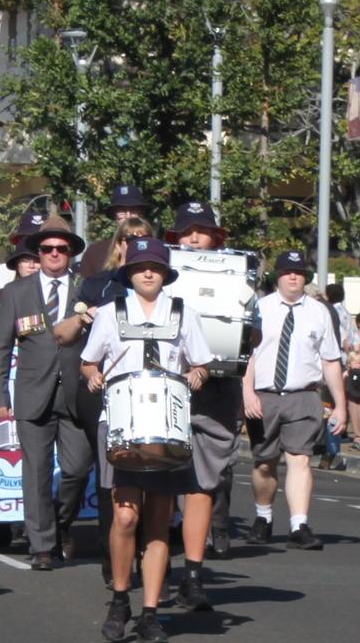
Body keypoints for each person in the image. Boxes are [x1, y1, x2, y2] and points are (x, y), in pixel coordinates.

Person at [80, 236, 212, 643]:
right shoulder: (110, 312)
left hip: (167, 424)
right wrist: (93, 376)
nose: (148, 273)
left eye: (155, 267)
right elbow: (88, 361)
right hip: (120, 421)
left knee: (158, 521)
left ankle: (151, 612)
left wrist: (196, 375)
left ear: (165, 273)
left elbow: (202, 363)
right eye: (140, 268)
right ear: (130, 273)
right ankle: (120, 598)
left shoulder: (183, 313)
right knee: (125, 516)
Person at [54, 214, 155, 587]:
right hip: (103, 389)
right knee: (110, 472)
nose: (136, 243)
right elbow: (62, 335)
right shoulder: (98, 286)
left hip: (153, 391)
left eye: (144, 237)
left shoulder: (163, 289)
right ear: (119, 245)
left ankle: (148, 550)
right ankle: (113, 559)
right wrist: (84, 319)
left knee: (152, 471)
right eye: (129, 238)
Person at [0, 217, 92, 571]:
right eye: (47, 248)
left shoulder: (86, 288)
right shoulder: (16, 292)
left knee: (78, 469)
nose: (53, 254)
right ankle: (42, 545)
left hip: (76, 394)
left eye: (61, 248)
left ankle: (61, 523)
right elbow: (0, 348)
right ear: (38, 252)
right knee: (36, 473)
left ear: (71, 253)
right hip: (32, 394)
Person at [163, 201, 245, 603]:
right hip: (166, 391)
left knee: (201, 485)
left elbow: (252, 336)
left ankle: (192, 576)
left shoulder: (237, 276)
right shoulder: (159, 276)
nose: (194, 239)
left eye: (202, 231)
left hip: (217, 392)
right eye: (187, 232)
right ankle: (153, 569)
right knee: (159, 485)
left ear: (217, 237)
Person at [243, 251, 347, 551]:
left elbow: (330, 360)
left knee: (300, 459)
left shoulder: (319, 312)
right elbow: (247, 355)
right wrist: (247, 392)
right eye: (287, 272)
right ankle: (263, 517)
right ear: (277, 276)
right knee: (265, 463)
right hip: (265, 396)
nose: (293, 277)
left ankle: (298, 524)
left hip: (303, 395)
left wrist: (339, 405)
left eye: (299, 273)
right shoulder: (259, 309)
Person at [0, 211, 48, 315]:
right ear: (17, 242)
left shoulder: (60, 275)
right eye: (26, 239)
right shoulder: (0, 273)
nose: (32, 244)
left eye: (40, 239)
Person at [80, 184, 149, 277]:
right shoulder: (95, 252)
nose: (128, 216)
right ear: (114, 215)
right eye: (122, 211)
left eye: (133, 210)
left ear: (141, 213)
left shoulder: (157, 249)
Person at [0, 239, 39, 343]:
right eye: (25, 260)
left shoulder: (51, 293)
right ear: (17, 265)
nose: (31, 266)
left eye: (37, 261)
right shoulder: (0, 295)